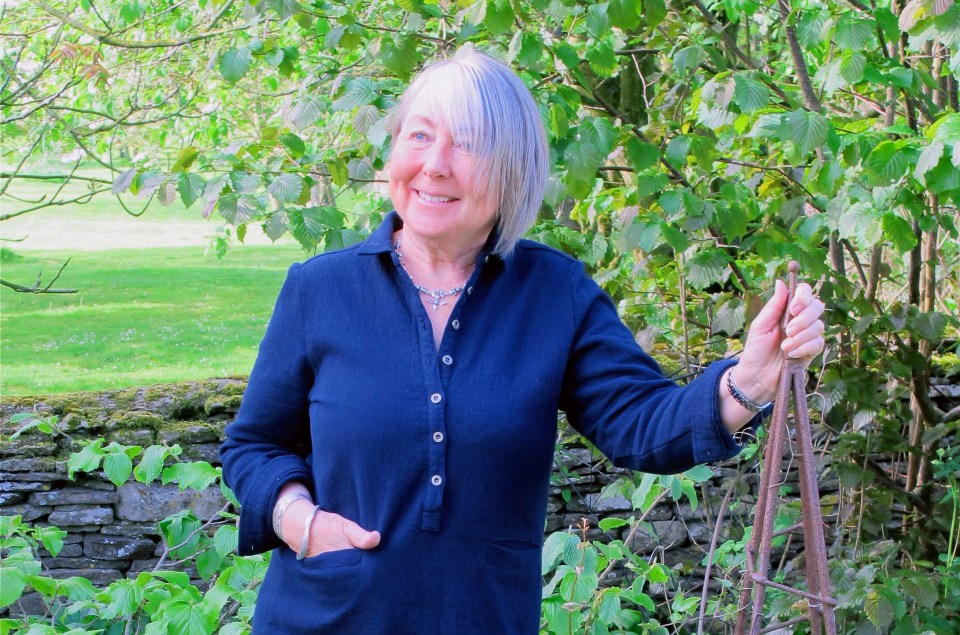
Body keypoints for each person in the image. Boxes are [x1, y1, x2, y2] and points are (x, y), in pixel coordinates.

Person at [219, 46, 826, 633]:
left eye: (468, 144)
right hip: (325, 619)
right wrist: (300, 522)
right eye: (420, 135)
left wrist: (747, 380)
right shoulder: (320, 289)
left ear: (513, 170)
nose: (435, 164)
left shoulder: (554, 292)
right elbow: (254, 446)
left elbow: (639, 421)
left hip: (482, 620)